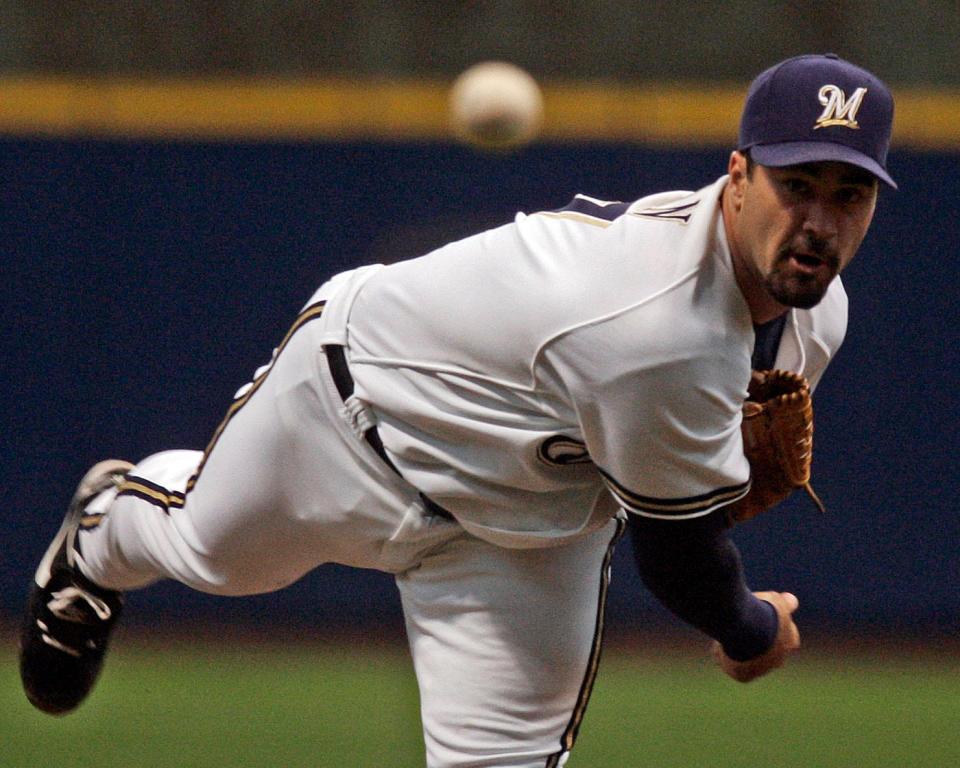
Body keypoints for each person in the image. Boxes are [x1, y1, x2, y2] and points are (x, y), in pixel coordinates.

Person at [20, 53, 894, 767]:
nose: (819, 221)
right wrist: (749, 628)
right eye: (797, 185)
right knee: (209, 552)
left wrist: (694, 489)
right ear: (737, 177)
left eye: (847, 195)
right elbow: (679, 555)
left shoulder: (820, 315)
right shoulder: (659, 324)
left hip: (529, 528)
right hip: (351, 420)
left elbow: (680, 502)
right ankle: (101, 527)